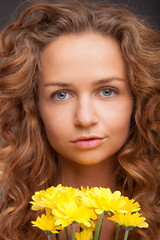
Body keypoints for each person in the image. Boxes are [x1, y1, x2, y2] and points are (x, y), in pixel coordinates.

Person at [0, 0, 159, 239]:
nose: (84, 119)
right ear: (34, 106)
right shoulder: (6, 220)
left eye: (107, 91)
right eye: (61, 95)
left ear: (138, 99)